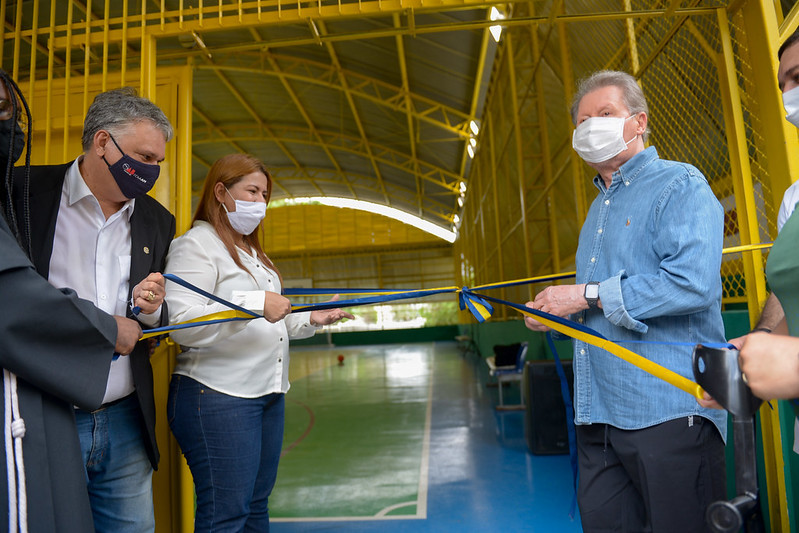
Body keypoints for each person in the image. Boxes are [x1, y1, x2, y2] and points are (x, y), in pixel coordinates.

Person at [524, 70, 727, 532]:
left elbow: (692, 284)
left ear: (639, 122)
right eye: (582, 121)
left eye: (605, 114)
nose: (590, 126)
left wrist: (586, 294)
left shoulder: (680, 185)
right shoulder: (597, 211)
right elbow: (597, 308)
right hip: (599, 417)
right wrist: (559, 313)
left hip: (669, 411)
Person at [13, 87, 175, 532]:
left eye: (159, 162)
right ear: (103, 143)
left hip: (124, 418)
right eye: (145, 157)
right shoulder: (22, 195)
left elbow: (152, 319)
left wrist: (151, 310)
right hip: (45, 413)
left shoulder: (157, 221)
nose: (152, 172)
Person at [165, 153, 353, 531]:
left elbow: (269, 319)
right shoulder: (196, 245)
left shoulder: (255, 254)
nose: (261, 202)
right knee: (226, 515)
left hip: (266, 394)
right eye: (252, 191)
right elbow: (180, 324)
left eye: (265, 194)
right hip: (217, 396)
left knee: (254, 508)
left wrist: (309, 319)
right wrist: (253, 304)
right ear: (220, 192)